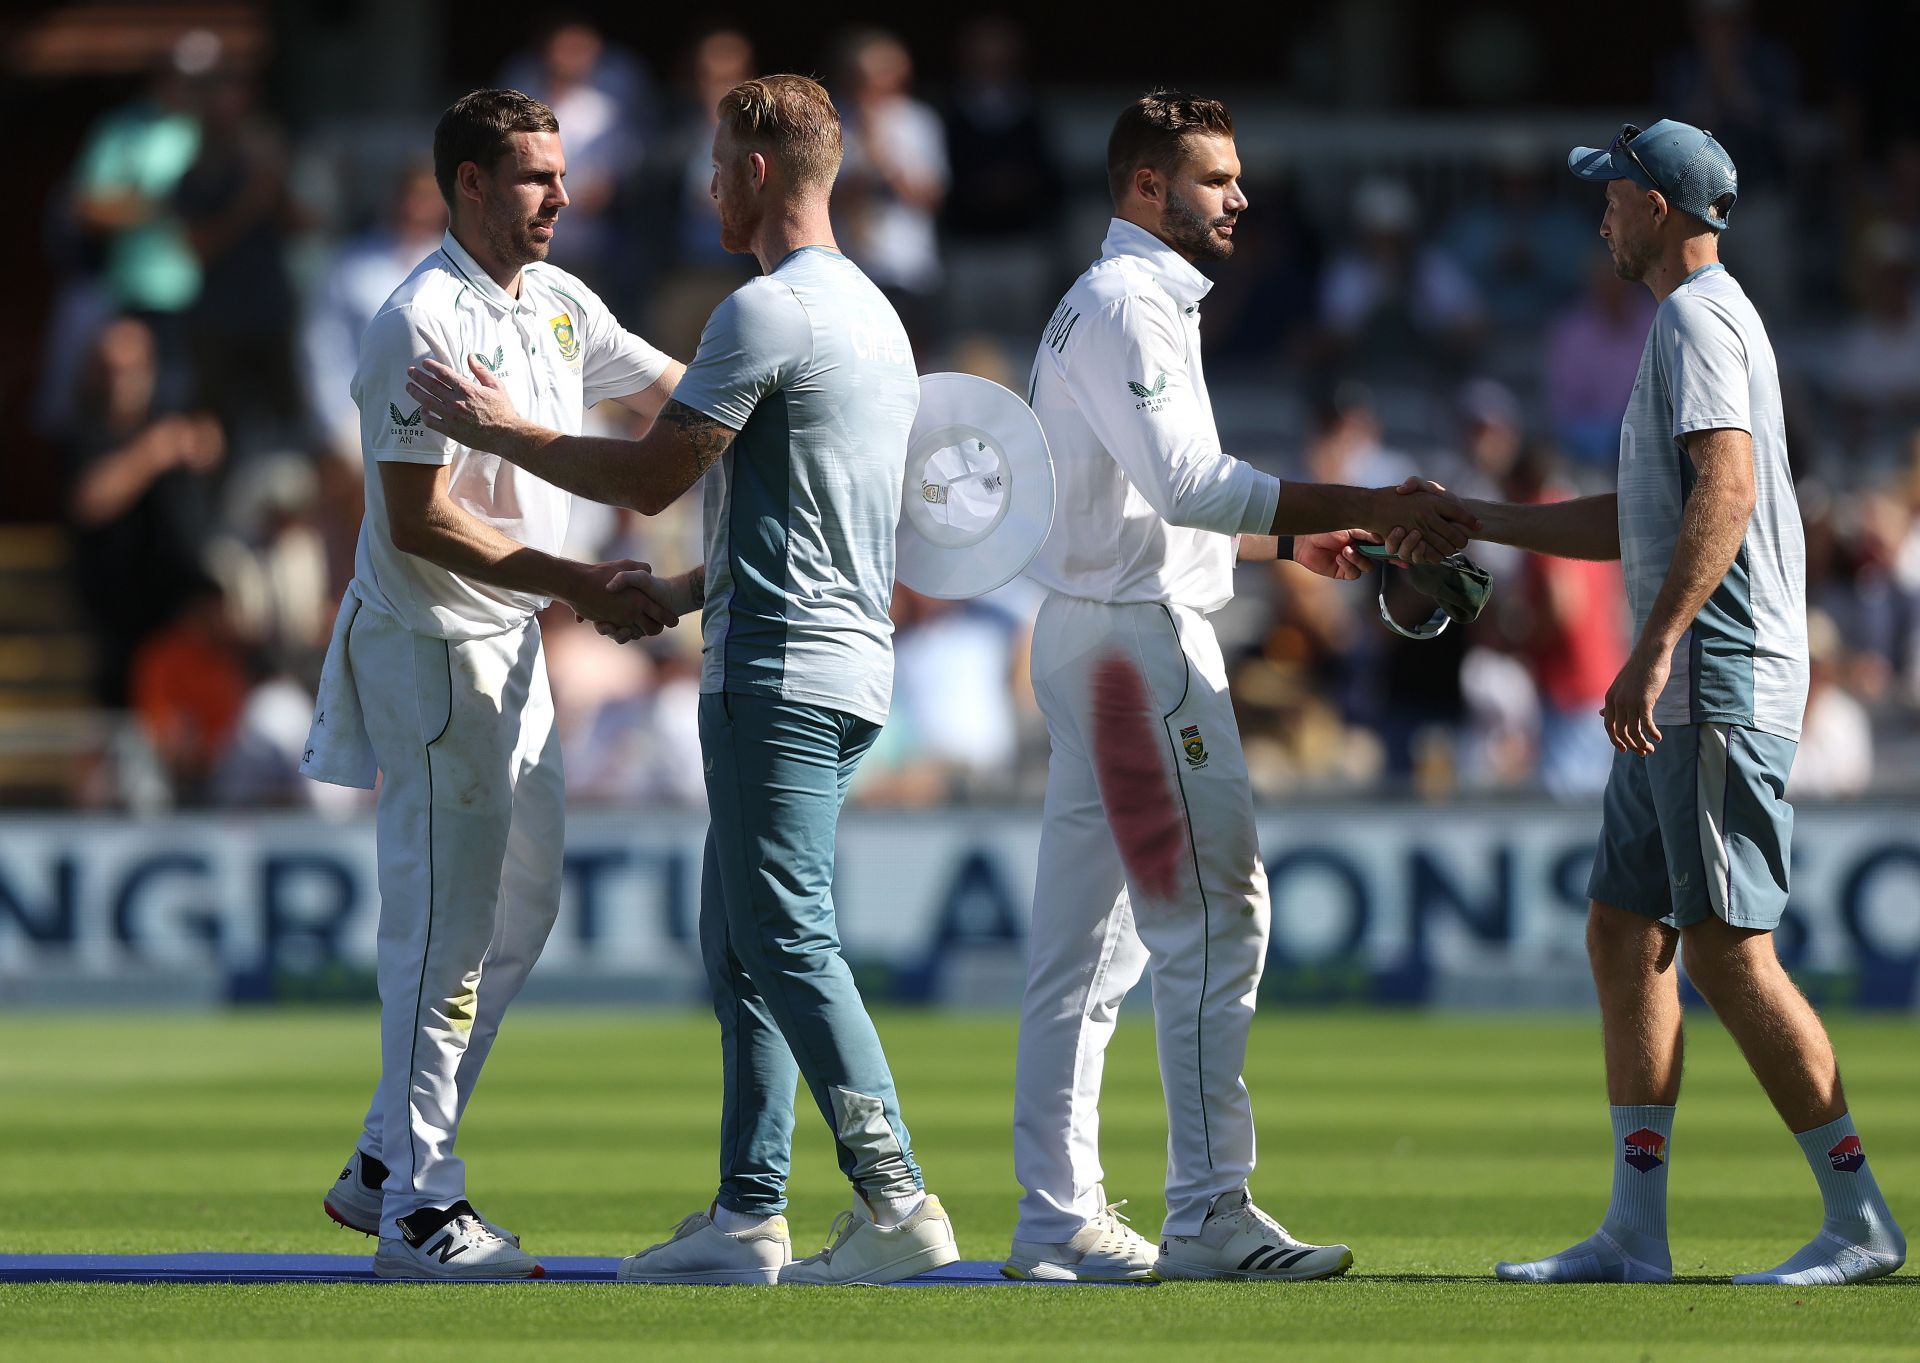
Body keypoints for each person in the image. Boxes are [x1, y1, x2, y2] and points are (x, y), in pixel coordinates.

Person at [405, 73, 962, 1286]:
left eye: (717, 164)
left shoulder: (765, 314)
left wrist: (497, 430)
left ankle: (898, 1198)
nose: (704, 184)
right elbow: (807, 519)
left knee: (786, 937)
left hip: (780, 669)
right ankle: (748, 1212)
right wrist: (681, 595)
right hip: (836, 651)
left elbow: (654, 480)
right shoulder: (875, 313)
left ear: (759, 174)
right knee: (741, 943)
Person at [1394, 119, 1904, 1286]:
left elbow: (1722, 488)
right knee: (1627, 928)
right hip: (1689, 680)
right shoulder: (1699, 320)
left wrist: (1658, 645)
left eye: (1613, 197)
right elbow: (1643, 512)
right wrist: (1481, 520)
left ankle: (1859, 1217)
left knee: (1728, 947)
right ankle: (1635, 1229)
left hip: (1713, 675)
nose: (1601, 216)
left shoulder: (1693, 317)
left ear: (1660, 207)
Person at [1007, 89, 1475, 1283]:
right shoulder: (1128, 303)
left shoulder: (1112, 300)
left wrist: (1280, 543)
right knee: (1217, 919)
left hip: (1092, 635)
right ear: (1147, 188)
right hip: (1139, 652)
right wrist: (1368, 503)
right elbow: (1189, 486)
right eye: (1215, 179)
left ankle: (1058, 1217)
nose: (1240, 197)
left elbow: (1150, 498)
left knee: (1087, 951)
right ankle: (1209, 1206)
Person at [299, 88, 682, 1280]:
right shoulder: (417, 319)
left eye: (561, 173)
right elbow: (418, 523)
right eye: (533, 177)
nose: (562, 194)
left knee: (519, 914)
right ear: (469, 184)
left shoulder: (558, 301)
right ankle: (421, 1206)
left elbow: (680, 392)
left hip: (508, 644)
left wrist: (801, 398)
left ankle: (380, 1163)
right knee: (443, 927)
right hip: (432, 648)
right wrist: (583, 580)